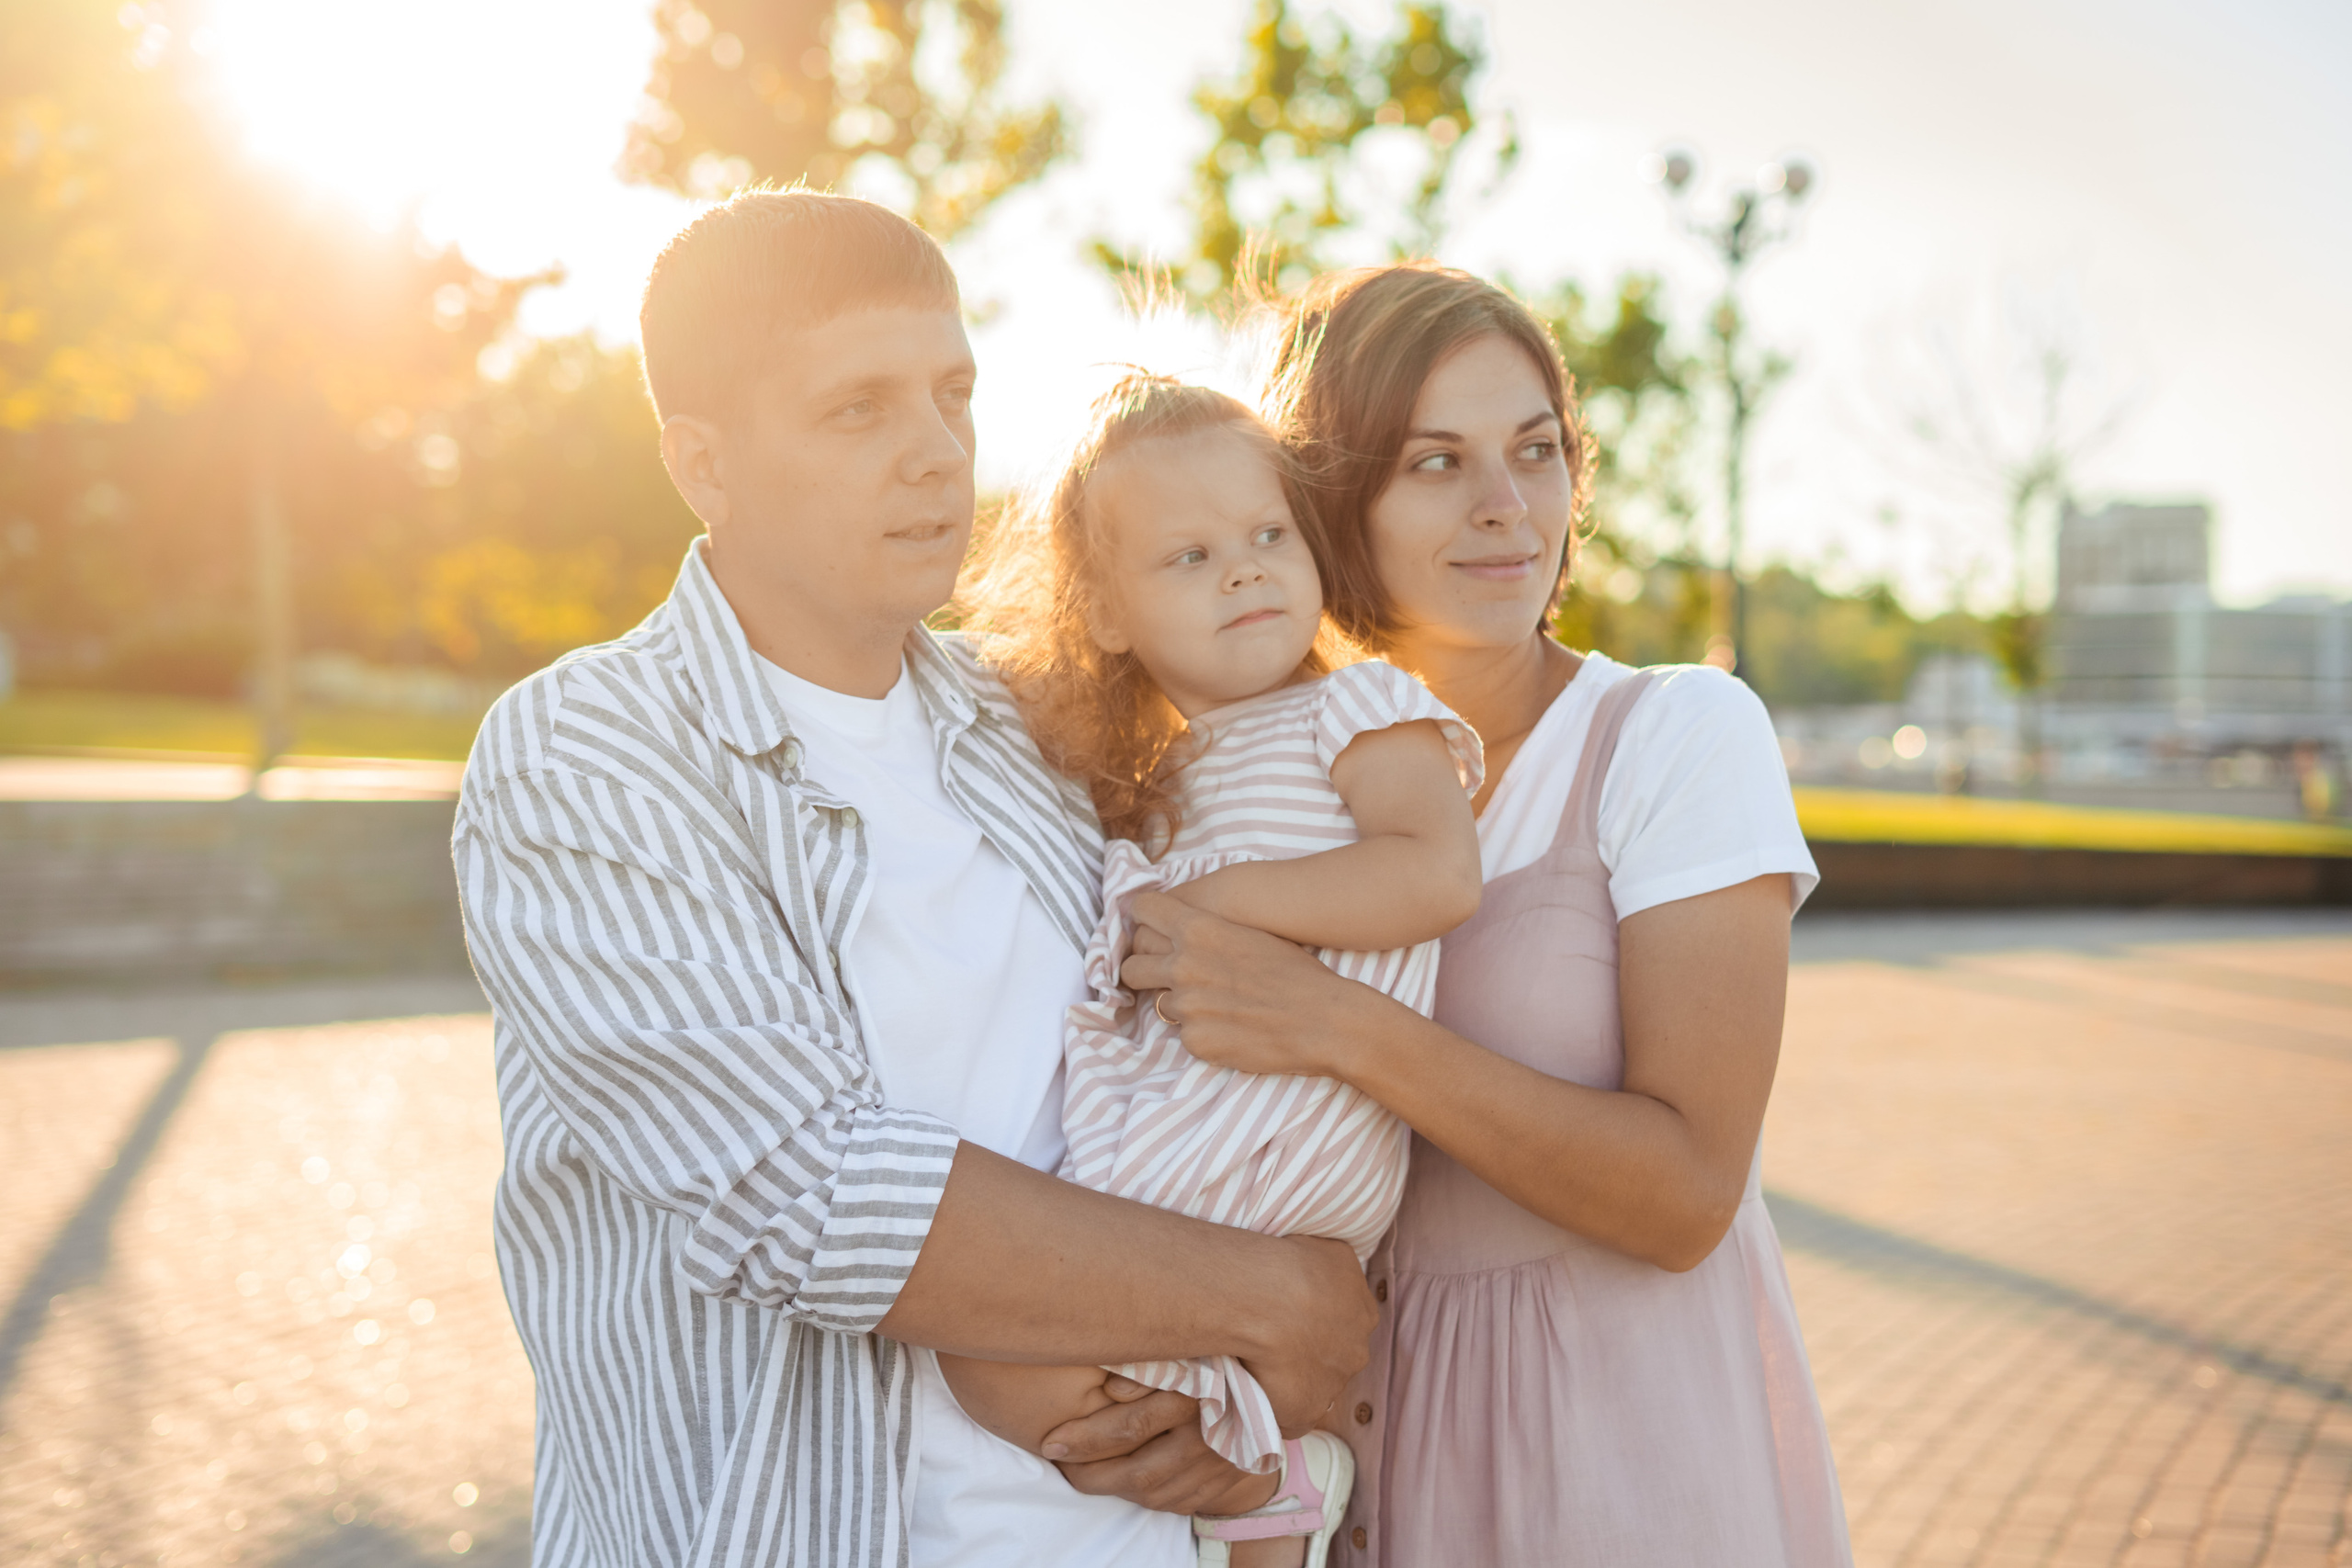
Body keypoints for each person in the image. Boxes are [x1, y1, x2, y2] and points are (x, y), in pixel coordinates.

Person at [451, 190, 1374, 1568]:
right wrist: (1274, 1302)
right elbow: (808, 1192)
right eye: (858, 410)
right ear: (702, 464)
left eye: (953, 394)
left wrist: (1234, 1377)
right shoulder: (582, 754)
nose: (938, 455)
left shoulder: (1034, 728)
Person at [1114, 263, 1855, 1565]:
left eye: (1536, 452)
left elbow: (1687, 1194)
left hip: (1616, 1451)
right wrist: (1197, 1383)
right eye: (1436, 463)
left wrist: (1340, 1025)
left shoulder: (1670, 734)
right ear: (1334, 498)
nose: (1509, 508)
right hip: (1359, 1452)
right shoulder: (1255, 782)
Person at [948, 373, 1486, 1567]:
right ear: (1104, 613)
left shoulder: (1361, 710)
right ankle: (1268, 1482)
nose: (1244, 570)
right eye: (1189, 557)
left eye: (1265, 536)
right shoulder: (1158, 785)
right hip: (1183, 1145)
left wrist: (1212, 909)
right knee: (987, 1350)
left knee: (1002, 1340)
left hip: (1287, 1139)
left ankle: (1263, 1478)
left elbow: (1436, 874)